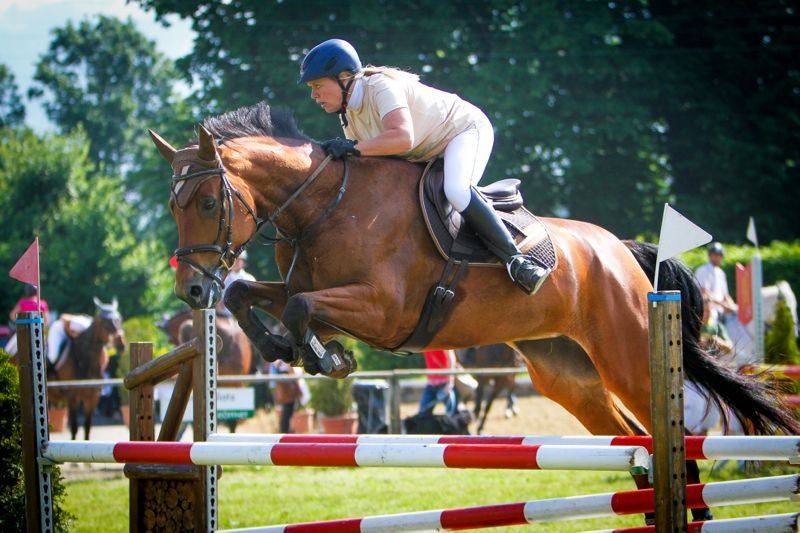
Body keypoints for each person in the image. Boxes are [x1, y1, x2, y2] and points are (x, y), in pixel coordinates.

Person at [299, 38, 550, 295]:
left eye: (318, 85)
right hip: (424, 152)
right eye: (311, 88)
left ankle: (517, 261)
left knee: (457, 190)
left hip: (463, 131)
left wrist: (351, 147)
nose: (313, 95)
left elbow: (402, 137)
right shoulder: (348, 113)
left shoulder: (379, 86)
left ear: (344, 77)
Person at [694, 242, 737, 326]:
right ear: (710, 255)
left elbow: (726, 295)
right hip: (709, 310)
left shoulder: (721, 273)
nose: (717, 258)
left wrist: (733, 307)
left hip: (722, 310)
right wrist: (723, 305)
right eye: (715, 255)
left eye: (719, 255)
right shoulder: (702, 270)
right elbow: (704, 292)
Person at [418, 349, 458, 416]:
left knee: (451, 414)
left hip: (444, 383)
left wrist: (450, 382)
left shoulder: (443, 341)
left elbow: (451, 359)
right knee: (422, 413)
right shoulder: (425, 343)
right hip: (431, 384)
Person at [217, 250, 256, 317]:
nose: (236, 262)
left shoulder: (249, 279)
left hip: (240, 317)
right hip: (219, 316)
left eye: (239, 260)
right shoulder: (222, 277)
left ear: (243, 262)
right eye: (235, 259)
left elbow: (251, 301)